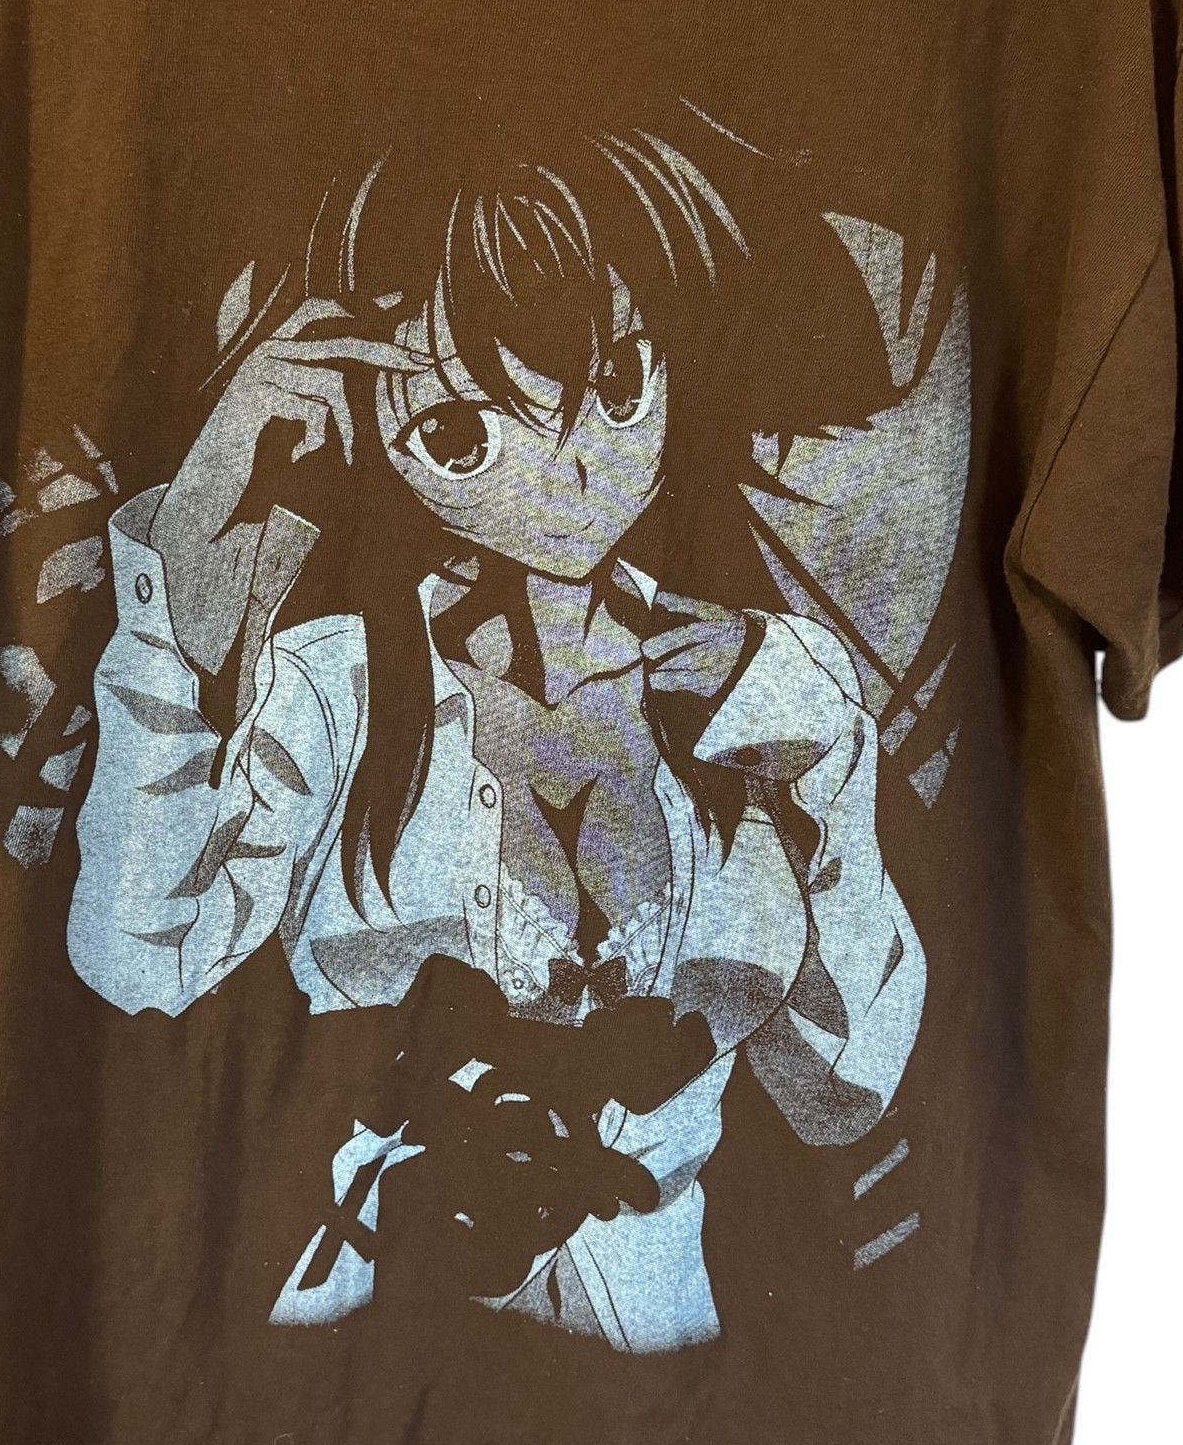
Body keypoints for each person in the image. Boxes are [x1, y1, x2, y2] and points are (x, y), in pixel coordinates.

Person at [68, 126, 925, 1349]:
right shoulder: (340, 688)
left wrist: (828, 767)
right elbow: (140, 956)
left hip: (664, 1390)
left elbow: (844, 1085)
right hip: (356, 1355)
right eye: (461, 434)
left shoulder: (773, 689)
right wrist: (185, 600)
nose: (568, 471)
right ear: (368, 428)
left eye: (616, 384)